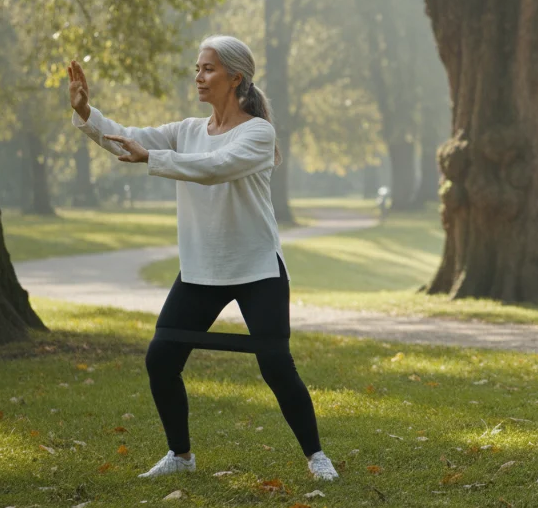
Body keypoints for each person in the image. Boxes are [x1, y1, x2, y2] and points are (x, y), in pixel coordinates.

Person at [67, 36, 338, 481]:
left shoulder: (257, 132)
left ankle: (316, 456)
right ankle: (181, 456)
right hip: (200, 269)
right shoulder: (188, 131)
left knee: (275, 364)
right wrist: (85, 113)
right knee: (161, 359)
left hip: (256, 269)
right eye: (197, 68)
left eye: (208, 69)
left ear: (236, 78)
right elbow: (128, 140)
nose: (198, 76)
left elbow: (214, 169)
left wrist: (152, 157)